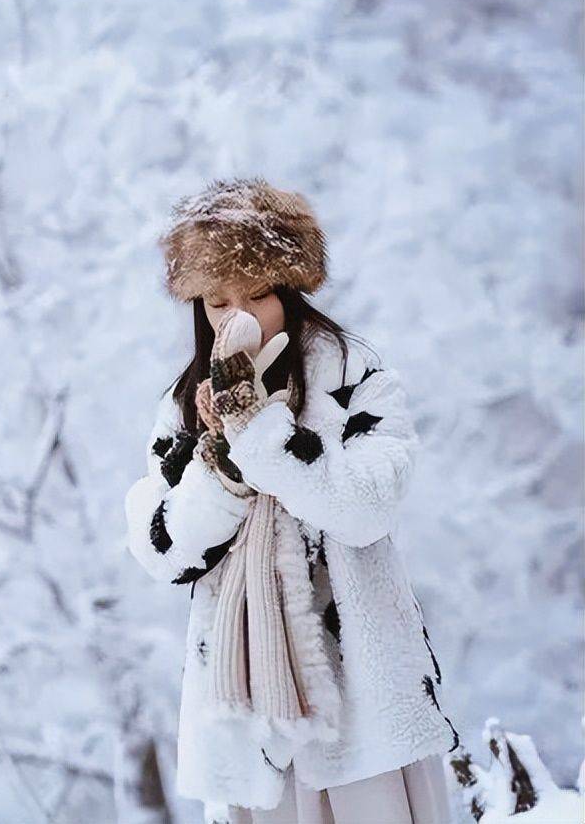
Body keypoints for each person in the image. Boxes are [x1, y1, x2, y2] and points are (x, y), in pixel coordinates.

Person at [123, 177, 460, 823]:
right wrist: (221, 467)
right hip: (244, 698)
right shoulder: (183, 404)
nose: (239, 316)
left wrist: (258, 433)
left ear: (291, 288)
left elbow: (365, 509)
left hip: (360, 684)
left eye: (257, 293)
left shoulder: (351, 377)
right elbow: (166, 550)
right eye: (218, 301)